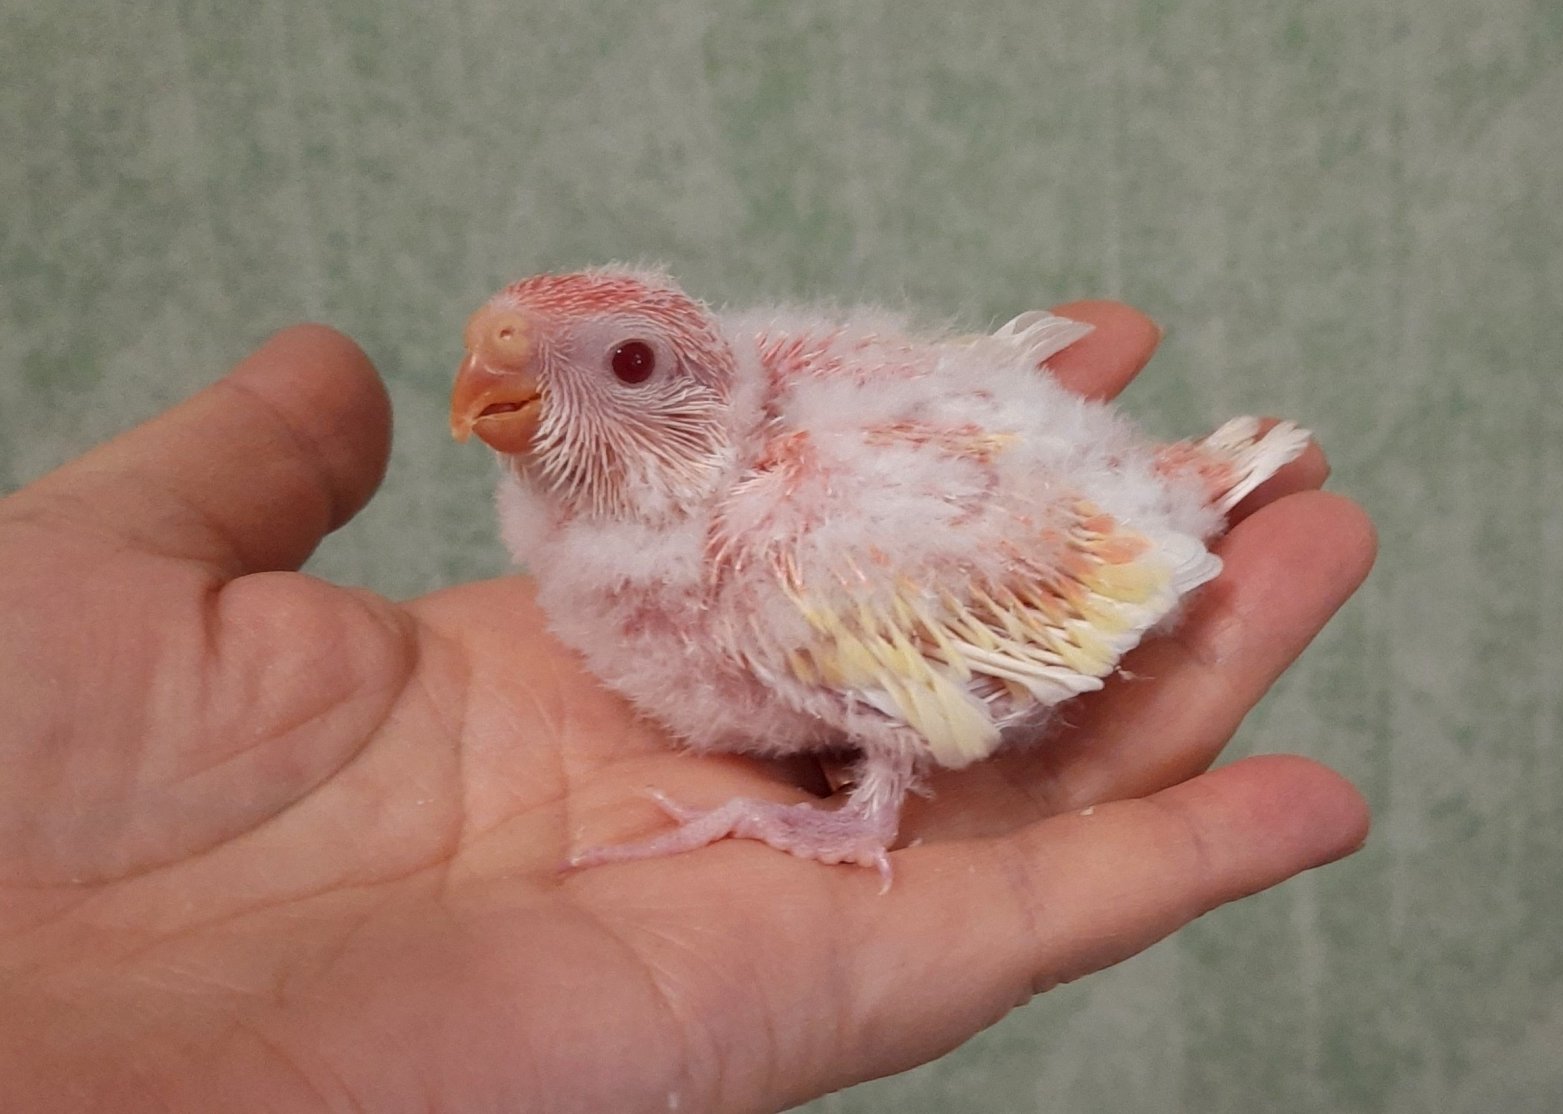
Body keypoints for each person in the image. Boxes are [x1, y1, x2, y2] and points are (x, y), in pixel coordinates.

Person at [0, 302, 1374, 1113]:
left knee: (830, 623)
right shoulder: (610, 511)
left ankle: (868, 799)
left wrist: (865, 784)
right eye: (507, 360)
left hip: (1054, 536)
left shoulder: (781, 540)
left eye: (625, 368)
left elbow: (998, 607)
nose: (503, 388)